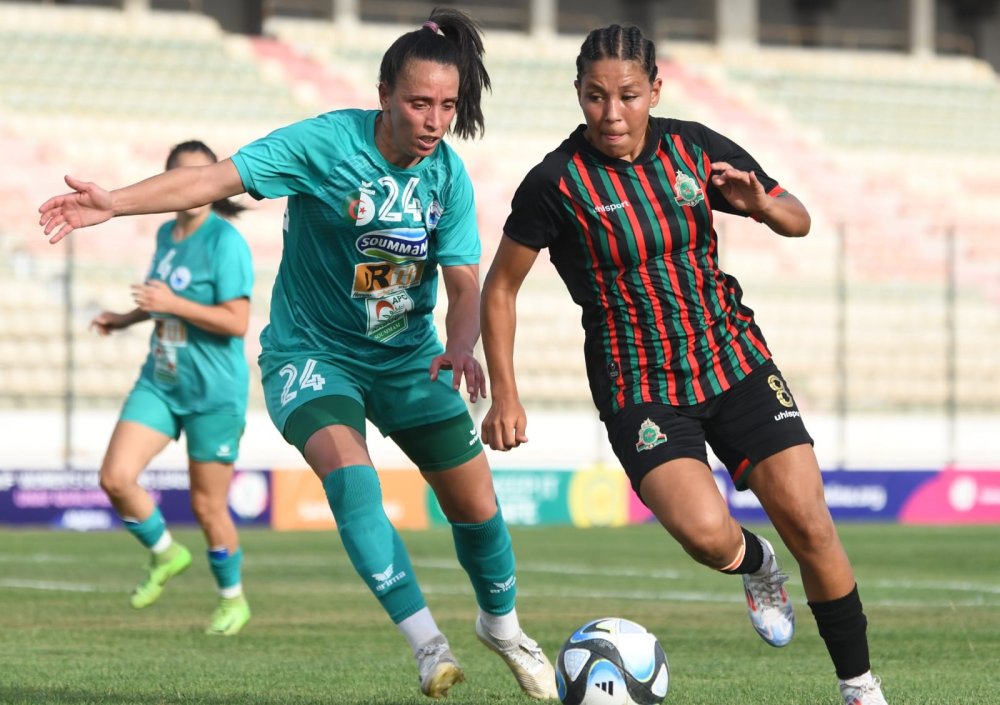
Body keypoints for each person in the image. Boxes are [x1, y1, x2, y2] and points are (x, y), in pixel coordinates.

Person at [39, 9, 556, 701]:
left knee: (477, 504)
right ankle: (428, 645)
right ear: (384, 94)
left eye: (446, 106)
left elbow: (464, 279)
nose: (433, 120)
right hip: (312, 355)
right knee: (353, 480)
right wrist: (116, 202)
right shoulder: (323, 144)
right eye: (418, 103)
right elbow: (212, 180)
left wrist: (462, 345)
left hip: (408, 358)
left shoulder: (448, 178)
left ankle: (503, 626)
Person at [480, 24, 889, 705]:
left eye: (628, 96)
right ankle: (757, 562)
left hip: (734, 360)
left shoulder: (693, 148)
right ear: (578, 96)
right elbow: (500, 287)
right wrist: (505, 394)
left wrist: (760, 205)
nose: (611, 114)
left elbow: (798, 218)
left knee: (812, 523)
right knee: (706, 536)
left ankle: (860, 687)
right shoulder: (555, 183)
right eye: (594, 97)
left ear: (655, 91)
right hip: (640, 387)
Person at [89, 140, 254, 636]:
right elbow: (161, 300)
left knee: (207, 506)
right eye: (184, 177)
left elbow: (237, 321)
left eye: (206, 176)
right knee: (115, 478)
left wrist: (172, 303)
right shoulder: (166, 232)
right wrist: (125, 318)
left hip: (213, 394)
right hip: (161, 381)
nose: (196, 187)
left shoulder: (225, 242)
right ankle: (165, 554)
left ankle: (233, 600)